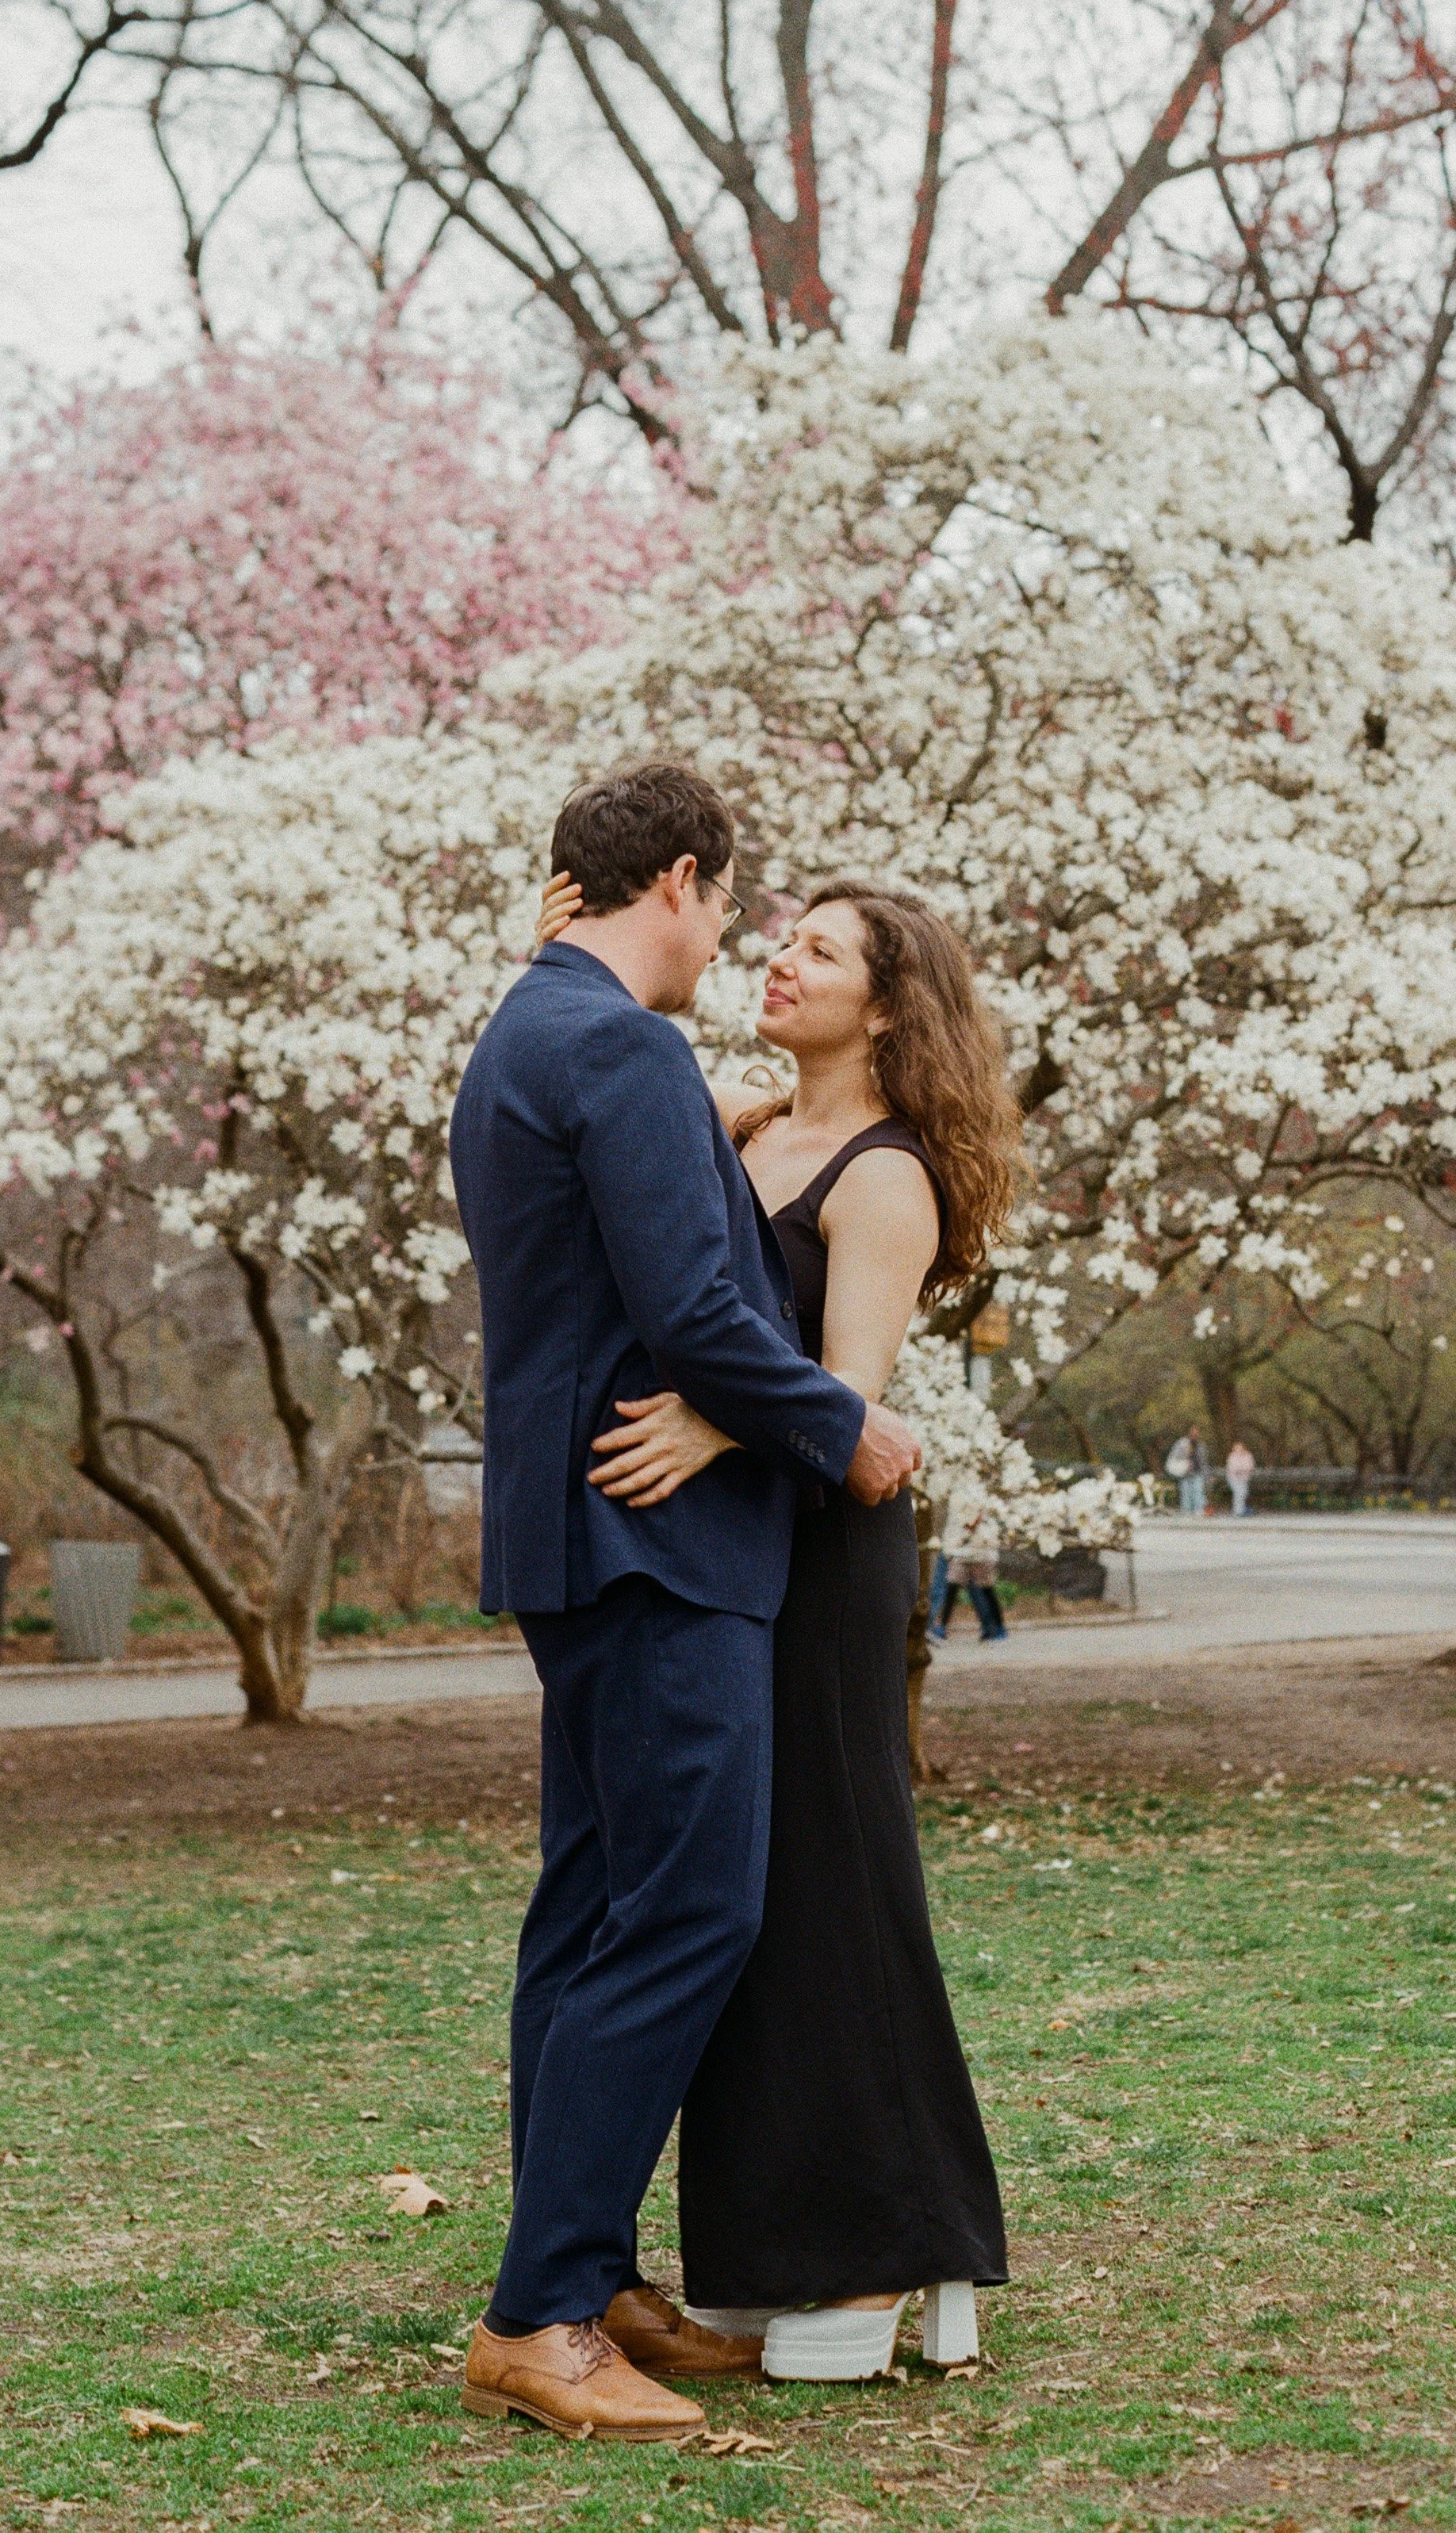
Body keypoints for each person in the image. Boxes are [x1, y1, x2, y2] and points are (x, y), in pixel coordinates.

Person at [450, 764, 921, 2443]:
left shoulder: (532, 1026)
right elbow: (705, 1313)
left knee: (586, 1910)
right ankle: (545, 2314)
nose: (731, 938)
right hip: (661, 1548)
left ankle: (584, 2268)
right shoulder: (623, 1046)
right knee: (689, 1912)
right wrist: (846, 1429)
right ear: (682, 878)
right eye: (729, 904)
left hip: (574, 1543)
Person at [538, 864, 1013, 2385]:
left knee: (832, 1883)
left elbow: (845, 1391)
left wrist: (713, 1423)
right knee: (744, 1908)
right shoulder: (741, 1131)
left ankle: (889, 2250)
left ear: (887, 1003)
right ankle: (772, 2247)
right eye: (782, 939)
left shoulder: (880, 1174)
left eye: (821, 951)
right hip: (728, 1552)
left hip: (821, 1553)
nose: (779, 962)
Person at [926, 1546, 1010, 1643]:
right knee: (969, 1587)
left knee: (949, 1586)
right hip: (968, 1547)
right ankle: (991, 1628)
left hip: (962, 1546)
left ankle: (932, 1627)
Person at [1165, 1424, 1209, 1516]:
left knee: (1198, 1491)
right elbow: (1174, 1456)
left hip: (1197, 1472)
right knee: (1186, 1492)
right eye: (1193, 1431)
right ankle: (1187, 1510)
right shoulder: (1182, 1443)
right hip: (1185, 1473)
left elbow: (1203, 1462)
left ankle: (1198, 1510)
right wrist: (1185, 1454)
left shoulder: (1201, 1446)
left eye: (1197, 1432)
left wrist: (1207, 1474)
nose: (1195, 1433)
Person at [1225, 1438, 1255, 1518]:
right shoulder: (1232, 1456)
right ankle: (1238, 1511)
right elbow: (1232, 1468)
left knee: (1244, 1493)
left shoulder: (1248, 1456)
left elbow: (1250, 1467)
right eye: (1236, 1448)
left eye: (1240, 1448)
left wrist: (1242, 1469)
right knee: (1239, 1493)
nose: (1238, 1449)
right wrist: (1242, 1469)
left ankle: (1241, 1510)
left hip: (1244, 1479)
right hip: (1233, 1478)